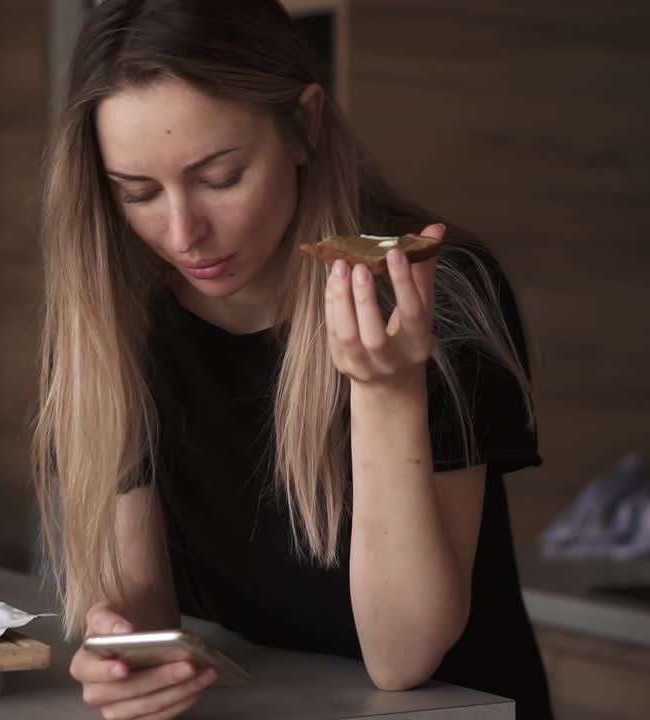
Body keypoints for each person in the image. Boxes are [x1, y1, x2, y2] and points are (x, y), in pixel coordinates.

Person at [32, 1, 554, 718]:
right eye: (139, 193)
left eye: (220, 177)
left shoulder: (434, 292)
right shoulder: (117, 320)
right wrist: (123, 654)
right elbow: (142, 611)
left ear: (305, 125)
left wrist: (386, 391)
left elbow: (401, 657)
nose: (183, 234)